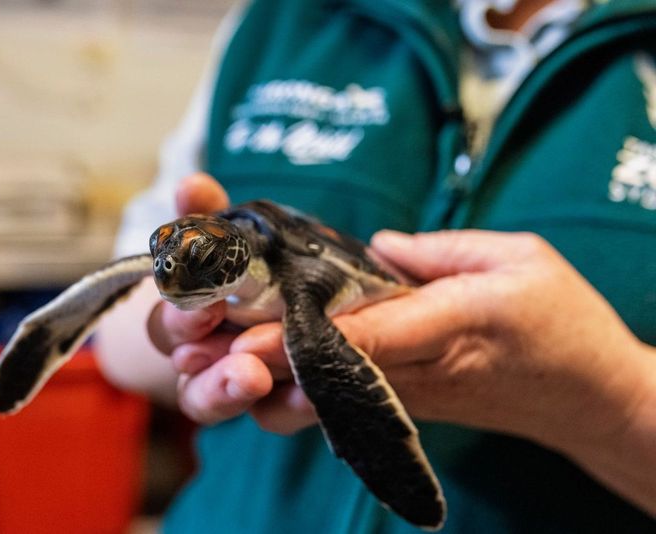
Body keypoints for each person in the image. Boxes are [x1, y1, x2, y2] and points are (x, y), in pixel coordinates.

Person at [96, 0, 656, 531]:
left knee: (320, 357)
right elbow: (120, 321)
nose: (173, 273)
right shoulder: (280, 19)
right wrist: (179, 336)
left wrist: (615, 400)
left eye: (201, 263)